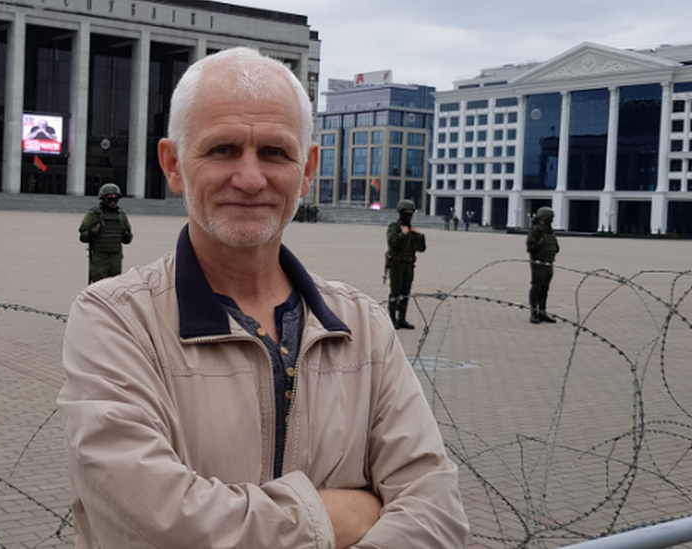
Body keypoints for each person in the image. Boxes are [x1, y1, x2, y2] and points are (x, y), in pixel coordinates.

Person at [58, 47, 467, 549]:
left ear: (308, 168)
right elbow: (157, 525)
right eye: (222, 149)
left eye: (274, 152)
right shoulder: (118, 321)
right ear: (173, 163)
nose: (250, 179)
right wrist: (329, 516)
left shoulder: (361, 325)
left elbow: (436, 511)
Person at [77, 183, 133, 283]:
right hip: (99, 257)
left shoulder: (121, 215)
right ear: (103, 198)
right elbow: (83, 236)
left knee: (114, 285)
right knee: (98, 286)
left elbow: (127, 239)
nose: (113, 200)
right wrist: (94, 231)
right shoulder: (94, 214)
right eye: (110, 197)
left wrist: (125, 234)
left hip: (115, 257)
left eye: (115, 197)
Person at [385, 199, 426, 330]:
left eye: (411, 212)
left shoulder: (412, 230)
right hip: (397, 265)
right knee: (395, 292)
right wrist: (402, 235)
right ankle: (392, 319)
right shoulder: (394, 227)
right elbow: (392, 243)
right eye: (406, 212)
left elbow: (421, 248)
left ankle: (402, 318)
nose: (409, 215)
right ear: (400, 213)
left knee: (406, 292)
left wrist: (420, 236)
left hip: (409, 265)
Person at [526, 206, 559, 324]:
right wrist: (540, 244)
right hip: (538, 263)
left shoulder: (549, 231)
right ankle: (534, 312)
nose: (551, 220)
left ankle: (542, 312)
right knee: (536, 287)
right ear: (542, 218)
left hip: (549, 263)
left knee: (545, 288)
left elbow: (555, 246)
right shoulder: (536, 230)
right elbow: (530, 248)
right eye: (549, 218)